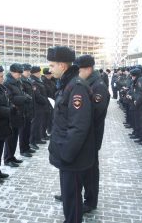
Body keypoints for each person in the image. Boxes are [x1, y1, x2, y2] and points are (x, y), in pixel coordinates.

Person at [47, 46, 95, 223]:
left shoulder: (76, 87)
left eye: (52, 65)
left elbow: (78, 127)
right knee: (69, 196)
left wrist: (66, 154)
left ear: (63, 66)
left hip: (73, 157)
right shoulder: (67, 84)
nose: (50, 69)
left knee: (72, 198)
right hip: (68, 155)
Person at [74, 55, 110, 213]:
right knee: (80, 167)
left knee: (90, 170)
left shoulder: (98, 86)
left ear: (88, 69)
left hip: (91, 135)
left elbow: (96, 112)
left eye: (79, 70)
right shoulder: (88, 82)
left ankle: (90, 201)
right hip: (84, 134)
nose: (77, 73)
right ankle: (74, 193)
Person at [3, 63, 31, 167]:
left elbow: (22, 93)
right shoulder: (7, 84)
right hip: (12, 114)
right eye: (18, 73)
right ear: (12, 72)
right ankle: (7, 158)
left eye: (20, 73)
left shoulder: (17, 82)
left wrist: (26, 96)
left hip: (19, 113)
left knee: (15, 137)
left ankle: (12, 156)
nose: (20, 75)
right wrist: (24, 98)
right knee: (10, 138)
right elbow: (10, 99)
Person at [29, 66, 49, 146]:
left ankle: (37, 139)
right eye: (38, 72)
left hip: (41, 106)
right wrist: (45, 100)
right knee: (35, 125)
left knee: (39, 124)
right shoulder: (34, 82)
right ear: (35, 73)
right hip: (38, 106)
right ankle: (32, 141)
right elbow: (37, 95)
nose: (40, 74)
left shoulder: (38, 80)